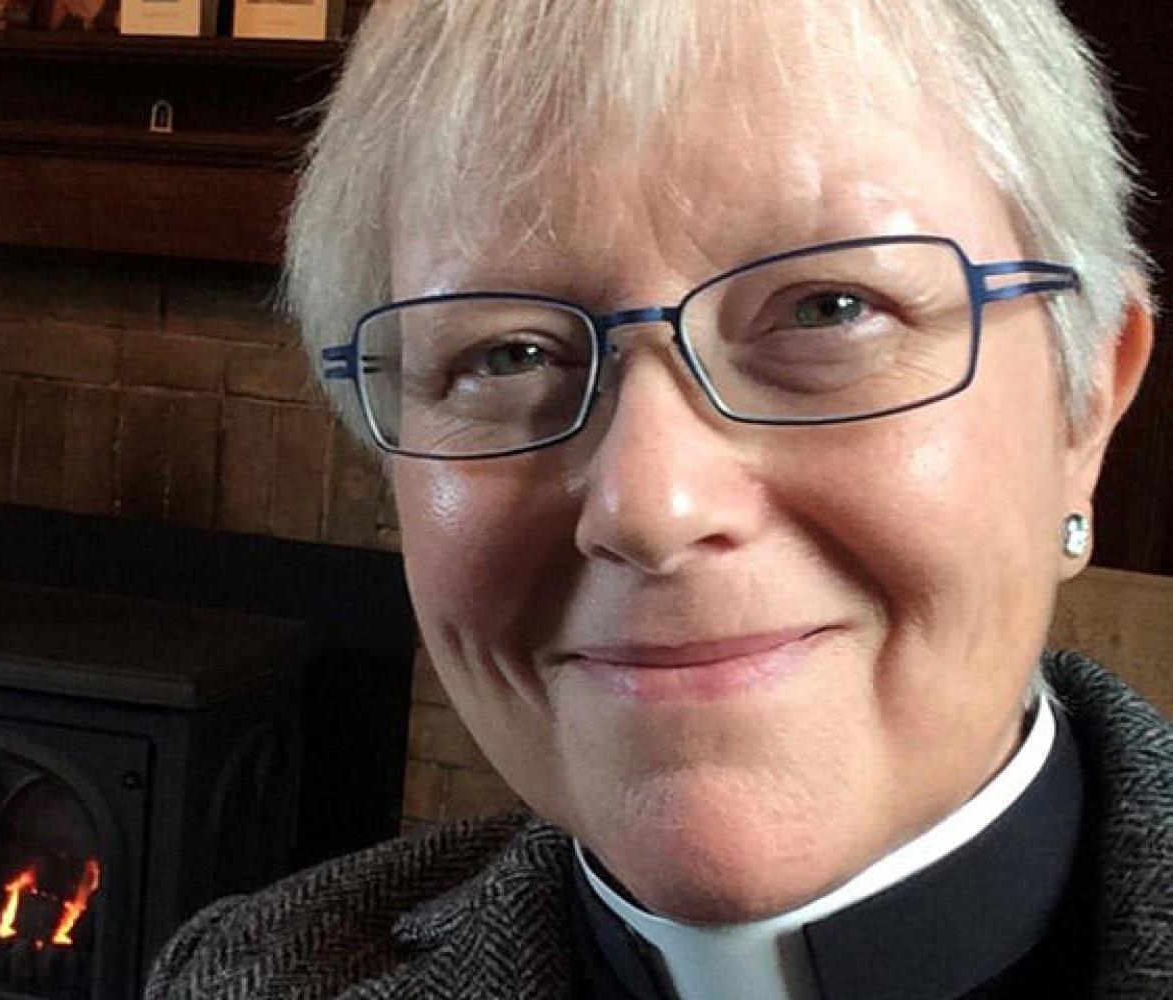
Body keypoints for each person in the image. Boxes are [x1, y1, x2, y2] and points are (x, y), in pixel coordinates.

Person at [144, 1, 1171, 997]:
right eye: (504, 353)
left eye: (830, 308)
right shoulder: (255, 972)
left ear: (1086, 405)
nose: (650, 504)